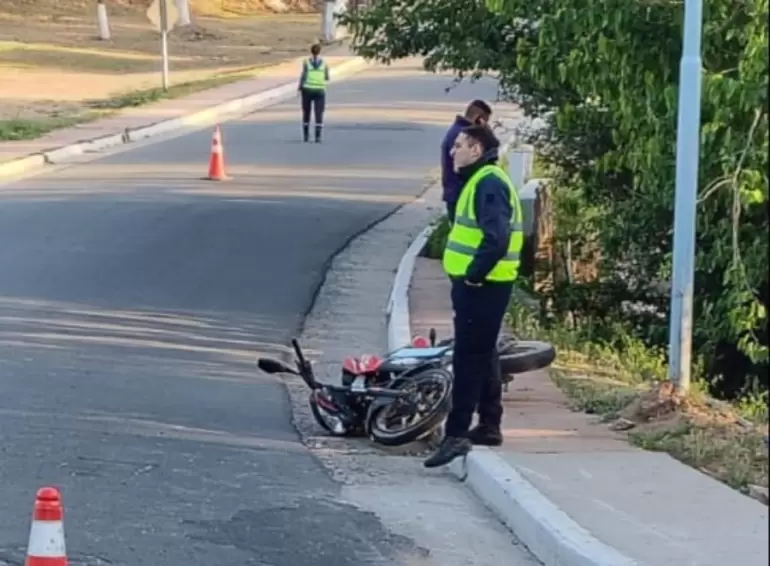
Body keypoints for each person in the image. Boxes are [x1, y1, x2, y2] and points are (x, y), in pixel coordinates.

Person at [424, 124, 524, 469]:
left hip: (483, 286)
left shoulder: (489, 183)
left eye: (460, 146)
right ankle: (489, 424)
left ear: (477, 150)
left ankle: (456, 435)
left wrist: (474, 276)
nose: (453, 152)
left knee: (468, 357)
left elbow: (496, 238)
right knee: (484, 353)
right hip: (482, 285)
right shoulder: (482, 180)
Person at [440, 100, 493, 222]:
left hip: (456, 192)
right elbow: (474, 164)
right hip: (460, 193)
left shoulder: (458, 130)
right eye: (485, 122)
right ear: (478, 119)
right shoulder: (464, 136)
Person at [298, 43, 330, 143]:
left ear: (311, 51)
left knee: (306, 112)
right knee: (319, 112)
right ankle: (318, 136)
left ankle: (306, 135)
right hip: (319, 90)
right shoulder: (324, 63)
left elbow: (303, 75)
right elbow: (327, 77)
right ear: (320, 51)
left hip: (307, 89)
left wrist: (300, 87)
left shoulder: (306, 62)